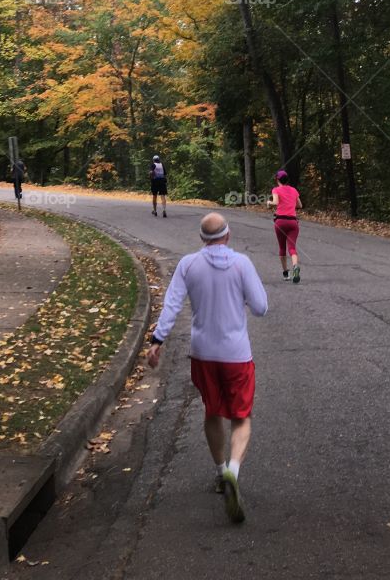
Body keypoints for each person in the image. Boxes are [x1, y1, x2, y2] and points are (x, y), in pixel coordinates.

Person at [147, 211, 268, 524]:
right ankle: (233, 471)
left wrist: (157, 340)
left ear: (202, 239)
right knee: (241, 418)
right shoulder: (242, 264)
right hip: (236, 355)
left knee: (212, 412)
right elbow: (260, 308)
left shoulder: (188, 265)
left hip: (203, 354)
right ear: (227, 235)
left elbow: (171, 305)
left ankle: (219, 472)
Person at [269, 169, 302, 283]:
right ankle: (295, 266)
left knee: (282, 248)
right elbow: (300, 205)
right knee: (292, 248)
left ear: (277, 180)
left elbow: (276, 202)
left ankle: (286, 273)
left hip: (281, 222)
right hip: (293, 222)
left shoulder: (276, 190)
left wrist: (269, 203)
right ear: (287, 180)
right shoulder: (293, 190)